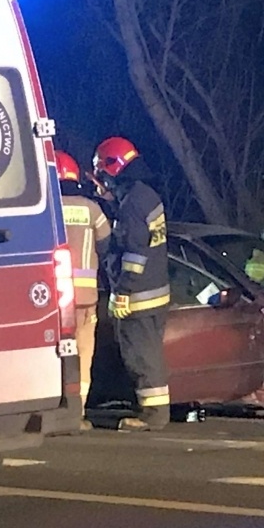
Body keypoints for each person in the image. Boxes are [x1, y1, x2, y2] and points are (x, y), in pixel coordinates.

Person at [93, 136, 170, 431]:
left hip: (138, 294)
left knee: (141, 356)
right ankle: (156, 411)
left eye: (102, 174)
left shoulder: (132, 203)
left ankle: (153, 416)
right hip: (155, 290)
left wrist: (123, 292)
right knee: (151, 353)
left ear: (112, 168)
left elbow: (135, 253)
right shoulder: (146, 195)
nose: (102, 182)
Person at [55, 151, 112, 414]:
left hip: (51, 300)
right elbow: (107, 243)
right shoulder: (91, 209)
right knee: (83, 353)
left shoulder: (48, 207)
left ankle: (54, 405)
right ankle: (77, 412)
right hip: (87, 298)